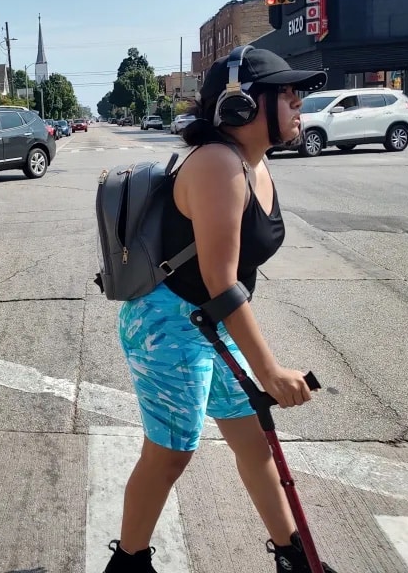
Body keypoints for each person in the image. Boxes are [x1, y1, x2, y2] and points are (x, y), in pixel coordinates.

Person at [102, 47, 338, 573]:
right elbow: (219, 280)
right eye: (288, 94)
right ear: (240, 107)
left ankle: (292, 556)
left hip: (207, 318)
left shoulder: (255, 164)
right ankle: (129, 564)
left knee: (253, 440)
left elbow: (226, 287)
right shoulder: (216, 164)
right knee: (171, 453)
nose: (300, 102)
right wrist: (269, 370)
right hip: (167, 321)